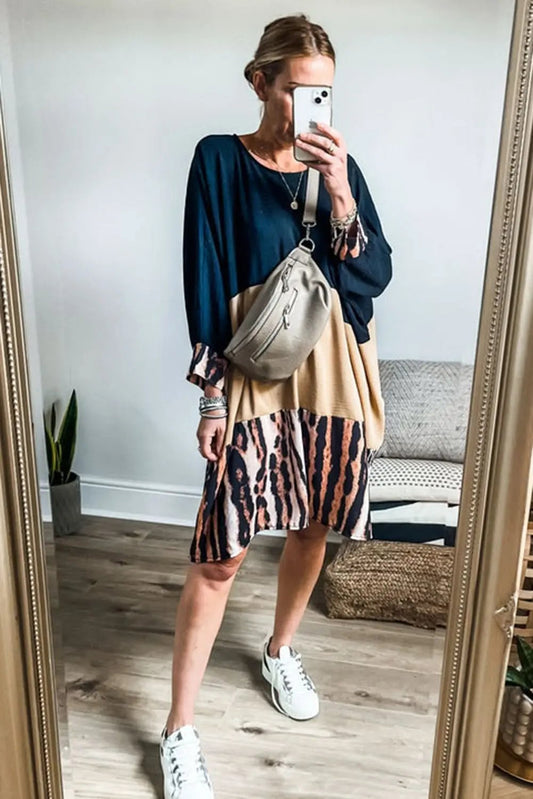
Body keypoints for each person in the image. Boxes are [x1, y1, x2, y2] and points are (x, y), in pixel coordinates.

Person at [159, 13, 393, 799]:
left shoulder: (340, 167)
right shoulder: (218, 160)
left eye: (323, 93)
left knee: (312, 522)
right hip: (253, 370)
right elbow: (203, 275)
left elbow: (372, 276)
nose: (309, 108)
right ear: (259, 83)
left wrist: (338, 190)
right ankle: (179, 729)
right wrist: (211, 397)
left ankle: (279, 649)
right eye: (296, 90)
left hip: (333, 370)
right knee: (220, 553)